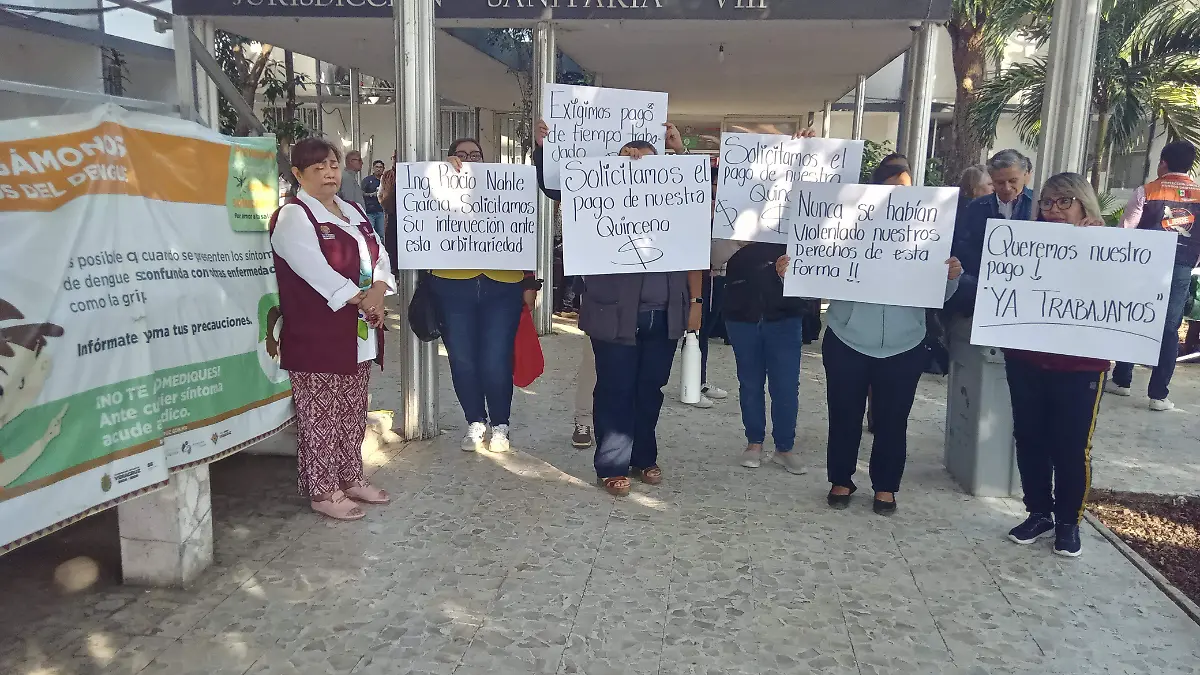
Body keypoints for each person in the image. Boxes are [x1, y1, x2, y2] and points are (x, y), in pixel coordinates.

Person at [784, 159, 962, 515]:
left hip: (906, 341)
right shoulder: (846, 224)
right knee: (844, 413)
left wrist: (951, 276)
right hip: (848, 337)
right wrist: (793, 269)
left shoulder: (929, 231)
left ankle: (886, 486)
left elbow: (941, 296)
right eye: (892, 186)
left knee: (893, 419)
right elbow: (816, 272)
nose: (899, 194)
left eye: (906, 188)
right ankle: (841, 479)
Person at [544, 128, 703, 495]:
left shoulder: (678, 204)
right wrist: (544, 151)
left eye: (652, 165)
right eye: (635, 163)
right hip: (612, 315)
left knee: (651, 389)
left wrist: (695, 303)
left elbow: (696, 252)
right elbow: (558, 189)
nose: (642, 170)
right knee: (616, 389)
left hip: (665, 316)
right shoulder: (603, 196)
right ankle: (612, 464)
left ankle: (643, 456)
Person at [269, 137, 395, 521]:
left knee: (354, 410)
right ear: (298, 175)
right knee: (321, 414)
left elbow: (379, 254)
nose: (328, 173)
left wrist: (377, 289)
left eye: (333, 165)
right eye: (317, 167)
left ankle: (350, 476)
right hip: (318, 333)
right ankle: (323, 490)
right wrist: (362, 298)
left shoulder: (353, 209)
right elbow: (315, 271)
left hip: (358, 331)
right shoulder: (293, 216)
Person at [1005, 173, 1110, 558]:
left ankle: (1069, 521)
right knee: (1029, 438)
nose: (1054, 210)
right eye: (1047, 202)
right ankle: (1039, 512)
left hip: (1081, 366)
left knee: (1070, 447)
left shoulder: (1110, 244)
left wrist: (1098, 244)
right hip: (1026, 358)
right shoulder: (1023, 241)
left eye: (1064, 201)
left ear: (1084, 203)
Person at [436, 138, 542, 453]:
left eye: (476, 154)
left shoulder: (505, 188)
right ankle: (475, 421)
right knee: (463, 359)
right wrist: (440, 175)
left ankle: (501, 424)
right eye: (461, 154)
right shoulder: (437, 187)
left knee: (496, 360)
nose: (469, 159)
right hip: (452, 284)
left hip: (502, 286)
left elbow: (524, 232)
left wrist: (529, 284)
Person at [1106, 141, 1200, 411]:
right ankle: (1158, 396)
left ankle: (1122, 380)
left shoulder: (1147, 191)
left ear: (1163, 163)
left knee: (1135, 317)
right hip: (1181, 266)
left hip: (1145, 266)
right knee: (1170, 328)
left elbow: (1126, 231)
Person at [725, 238, 808, 473]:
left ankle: (784, 448)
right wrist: (734, 241)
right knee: (750, 382)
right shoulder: (736, 230)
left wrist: (789, 272)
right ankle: (754, 442)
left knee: (786, 385)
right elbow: (713, 261)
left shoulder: (795, 236)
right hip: (741, 316)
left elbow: (814, 283)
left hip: (785, 317)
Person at [947, 150, 1035, 315]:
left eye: (1013, 181)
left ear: (1026, 175)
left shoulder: (1040, 206)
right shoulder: (975, 207)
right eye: (1000, 182)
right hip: (978, 301)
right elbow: (962, 249)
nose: (1007, 188)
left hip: (1026, 303)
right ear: (992, 179)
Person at [363, 159, 387, 240]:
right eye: (377, 167)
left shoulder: (385, 180)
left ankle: (382, 252)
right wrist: (370, 195)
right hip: (370, 211)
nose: (378, 169)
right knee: (370, 234)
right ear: (373, 168)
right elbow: (361, 193)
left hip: (381, 211)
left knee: (381, 235)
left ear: (383, 168)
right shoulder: (367, 180)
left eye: (380, 167)